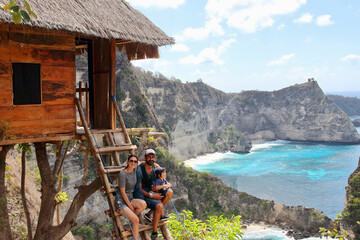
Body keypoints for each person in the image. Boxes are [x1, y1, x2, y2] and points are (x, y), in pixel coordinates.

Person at [137, 149, 173, 240]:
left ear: (155, 158)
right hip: (144, 194)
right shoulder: (140, 170)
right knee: (159, 205)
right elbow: (139, 188)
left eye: (153, 157)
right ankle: (154, 231)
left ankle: (150, 216)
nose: (151, 158)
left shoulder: (155, 168)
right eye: (149, 156)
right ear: (145, 157)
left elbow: (161, 177)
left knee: (169, 192)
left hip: (153, 192)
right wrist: (152, 196)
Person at [115, 154, 147, 240]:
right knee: (136, 220)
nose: (133, 163)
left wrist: (155, 165)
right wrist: (130, 206)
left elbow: (142, 162)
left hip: (130, 198)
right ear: (128, 162)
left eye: (135, 161)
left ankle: (131, 221)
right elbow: (122, 192)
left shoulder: (134, 169)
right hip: (121, 201)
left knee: (143, 204)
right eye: (131, 161)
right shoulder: (123, 173)